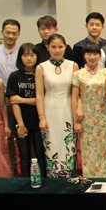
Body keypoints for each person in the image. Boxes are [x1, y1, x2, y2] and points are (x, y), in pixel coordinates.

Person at [36, 34, 79, 178]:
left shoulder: (73, 66)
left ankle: (71, 178)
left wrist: (76, 117)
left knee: (68, 146)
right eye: (53, 47)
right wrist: (41, 117)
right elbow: (39, 95)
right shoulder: (41, 67)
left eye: (60, 47)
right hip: (50, 109)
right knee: (52, 145)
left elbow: (76, 93)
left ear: (65, 47)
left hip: (68, 108)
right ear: (47, 47)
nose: (57, 50)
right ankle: (54, 179)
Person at [7, 43, 47, 179]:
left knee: (40, 154)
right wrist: (20, 124)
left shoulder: (41, 74)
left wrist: (22, 100)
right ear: (20, 57)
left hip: (39, 120)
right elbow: (14, 102)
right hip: (21, 121)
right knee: (24, 156)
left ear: (37, 56)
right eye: (25, 55)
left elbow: (43, 99)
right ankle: (24, 181)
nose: (29, 58)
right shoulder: (14, 76)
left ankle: (44, 180)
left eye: (32, 55)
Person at [72, 43, 106, 178]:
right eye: (89, 54)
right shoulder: (78, 74)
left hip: (103, 118)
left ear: (100, 55)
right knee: (88, 152)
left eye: (95, 54)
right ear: (84, 56)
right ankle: (89, 182)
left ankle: (105, 181)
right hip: (86, 119)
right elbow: (74, 98)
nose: (92, 57)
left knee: (105, 152)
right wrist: (76, 121)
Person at [0, 19, 21, 175]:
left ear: (18, 34)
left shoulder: (22, 51)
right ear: (2, 32)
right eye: (8, 32)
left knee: (23, 133)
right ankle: (11, 168)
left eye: (14, 33)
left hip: (20, 99)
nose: (10, 36)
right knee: (7, 135)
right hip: (2, 99)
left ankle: (28, 166)